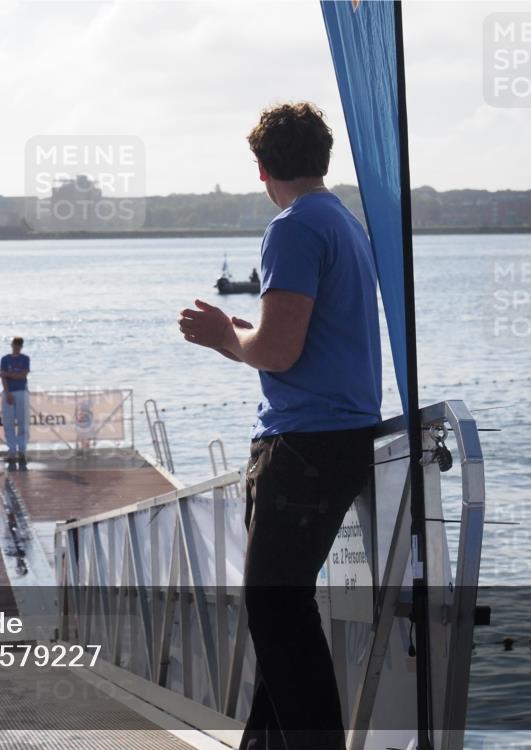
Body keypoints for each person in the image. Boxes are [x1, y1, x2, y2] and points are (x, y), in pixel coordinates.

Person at [179, 102, 381, 750]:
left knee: (276, 610)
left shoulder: (293, 228)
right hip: (335, 438)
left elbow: (278, 352)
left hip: (304, 445)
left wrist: (220, 337)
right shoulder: (343, 224)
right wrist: (240, 333)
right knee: (282, 613)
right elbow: (292, 337)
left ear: (262, 167)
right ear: (322, 157)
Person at [0, 336, 30, 467]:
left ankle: (22, 451)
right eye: (14, 344)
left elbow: (23, 375)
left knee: (23, 423)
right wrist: (8, 393)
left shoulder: (25, 359)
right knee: (8, 423)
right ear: (11, 345)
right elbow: (2, 377)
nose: (16, 347)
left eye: (18, 345)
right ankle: (12, 451)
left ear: (21, 346)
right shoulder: (5, 359)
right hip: (8, 392)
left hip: (22, 391)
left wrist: (8, 374)